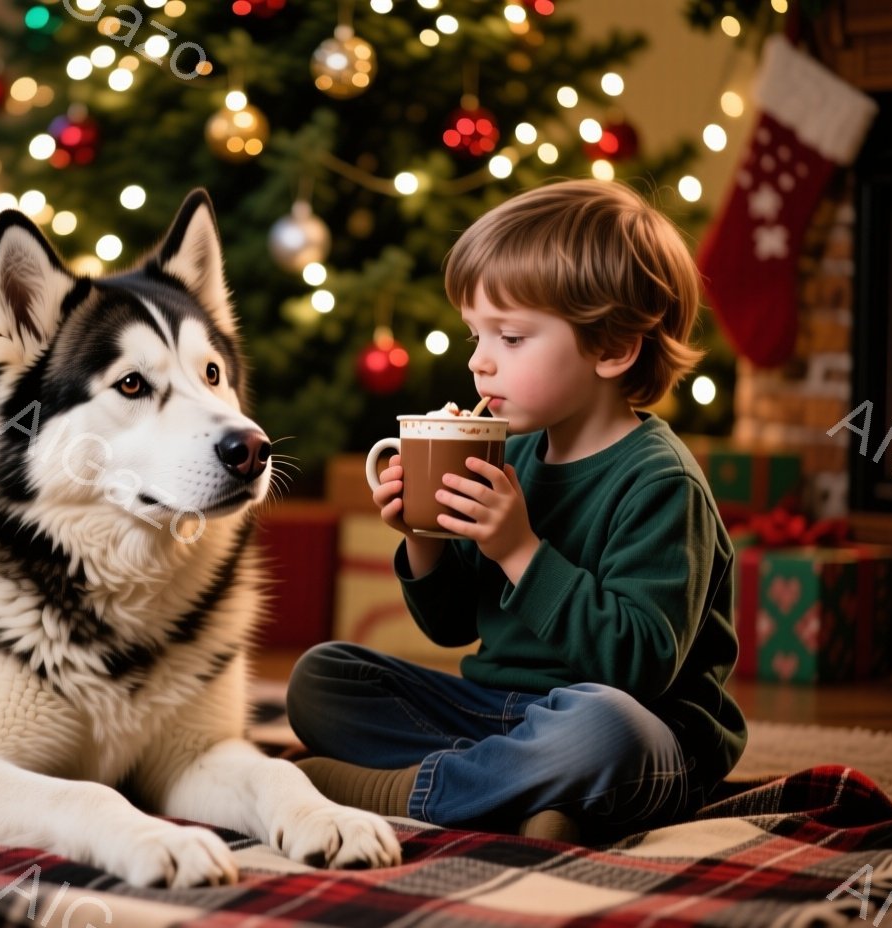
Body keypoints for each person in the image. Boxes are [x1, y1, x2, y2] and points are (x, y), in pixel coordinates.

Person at [289, 179, 747, 843]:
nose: (479, 363)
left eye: (509, 337)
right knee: (323, 679)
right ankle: (530, 797)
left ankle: (415, 792)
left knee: (602, 729)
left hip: (641, 733)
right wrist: (424, 538)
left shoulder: (660, 482)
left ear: (613, 348)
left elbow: (639, 668)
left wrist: (519, 552)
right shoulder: (511, 453)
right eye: (475, 334)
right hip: (494, 714)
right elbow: (450, 627)